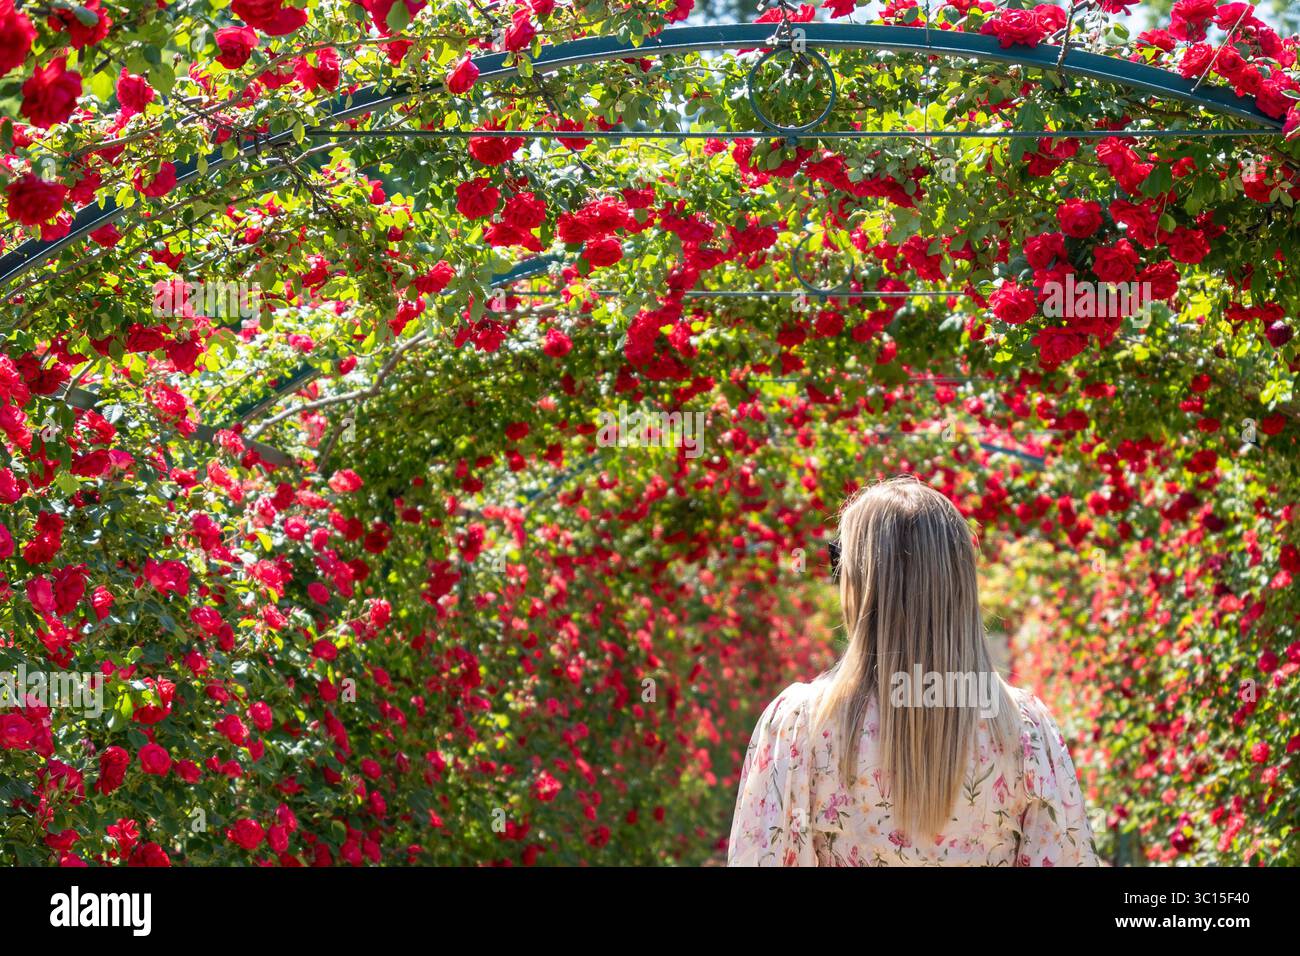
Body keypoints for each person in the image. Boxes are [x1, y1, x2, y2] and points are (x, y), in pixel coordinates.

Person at [727, 476, 1098, 866]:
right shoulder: (1025, 730)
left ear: (861, 580)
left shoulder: (800, 725)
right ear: (960, 583)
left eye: (839, 559)